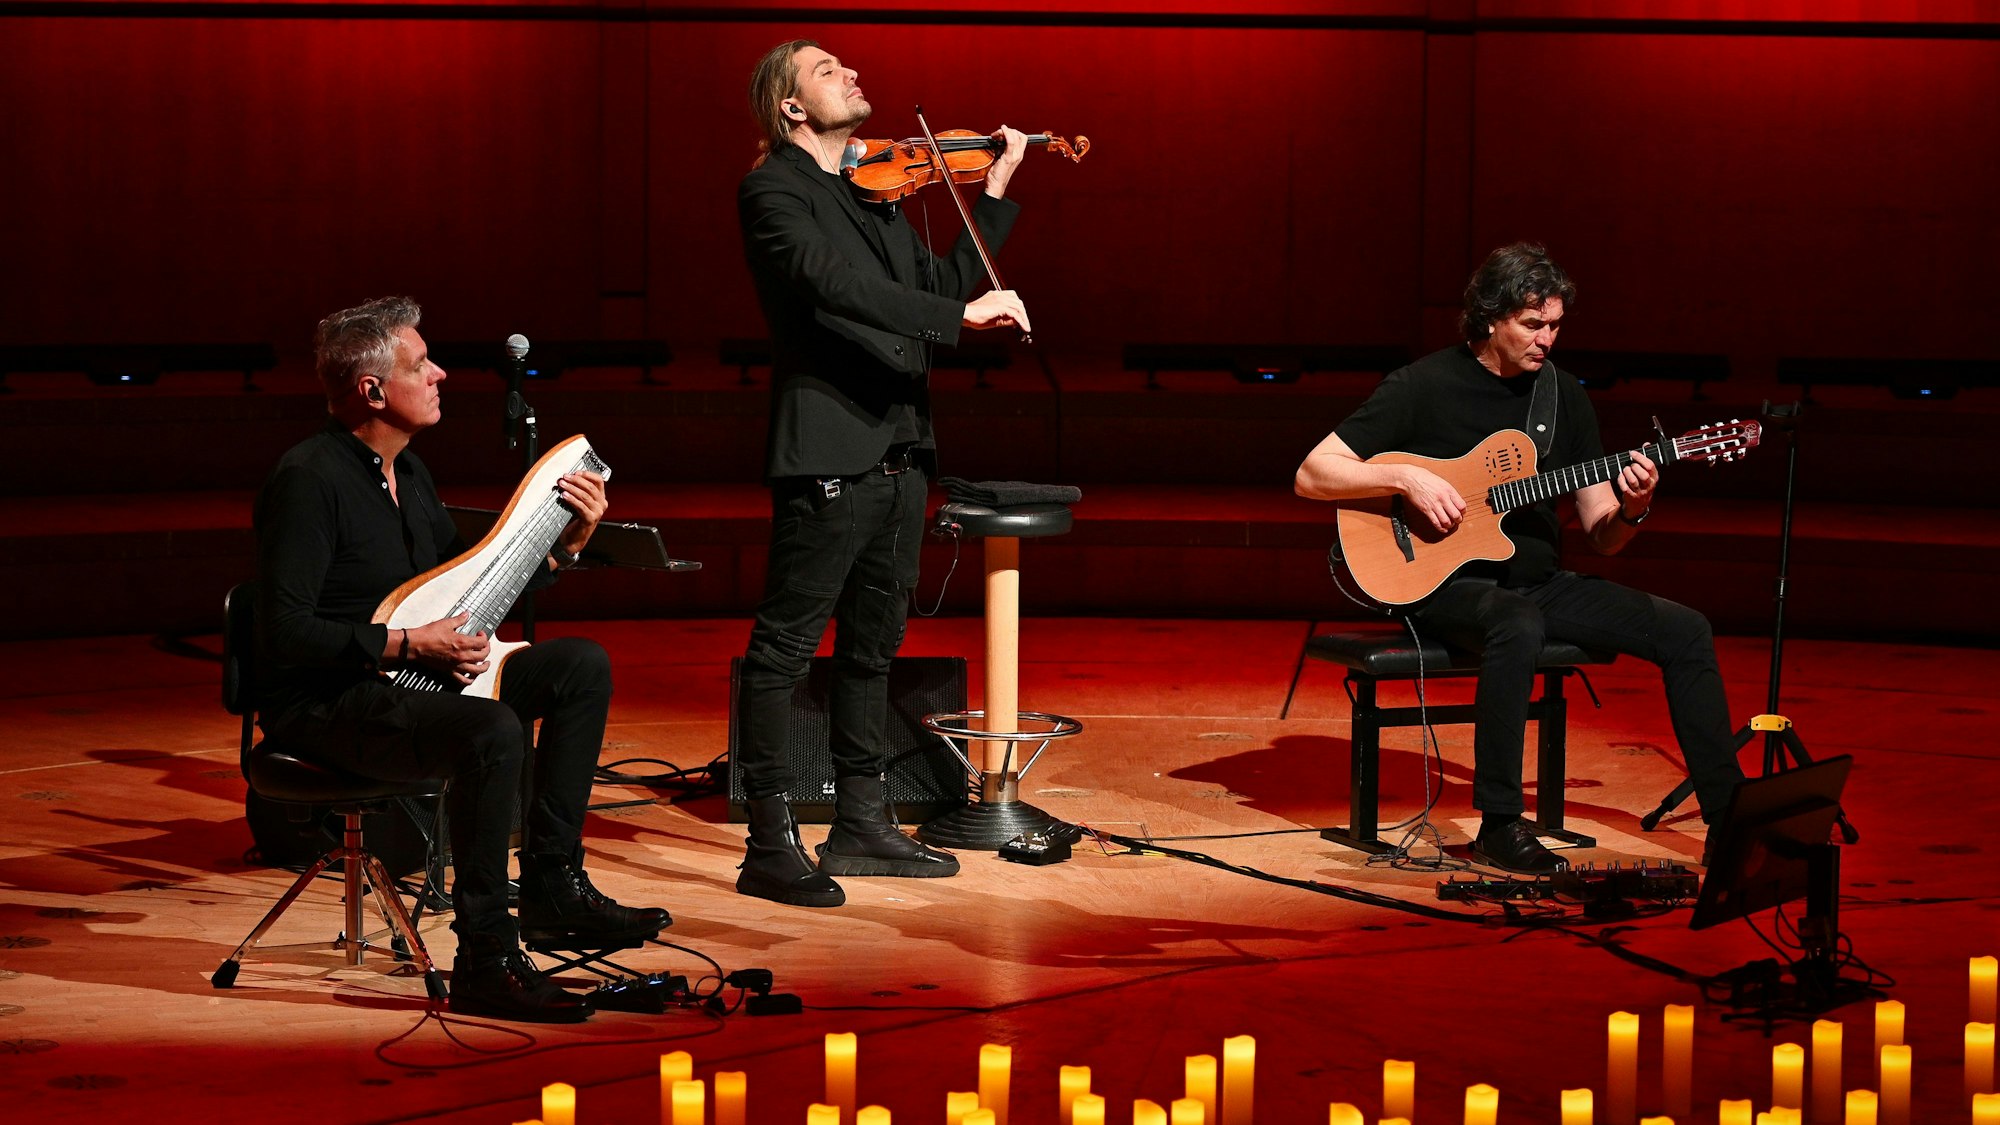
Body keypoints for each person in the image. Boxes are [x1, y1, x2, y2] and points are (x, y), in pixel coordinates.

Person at [254, 296, 667, 1022]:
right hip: (325, 702)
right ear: (372, 390)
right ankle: (484, 953)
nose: (441, 372)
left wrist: (567, 543)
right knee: (494, 730)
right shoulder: (309, 479)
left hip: (401, 681)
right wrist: (409, 644)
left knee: (579, 666)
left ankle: (552, 888)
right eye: (422, 364)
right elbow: (281, 630)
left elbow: (474, 592)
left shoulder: (410, 476)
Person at [1293, 243, 1745, 874]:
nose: (1546, 340)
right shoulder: (1423, 384)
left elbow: (1601, 532)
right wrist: (1406, 480)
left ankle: (1731, 825)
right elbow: (1313, 473)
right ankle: (1500, 823)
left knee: (1685, 628)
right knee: (1515, 622)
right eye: (1533, 325)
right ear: (1489, 318)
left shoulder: (1561, 398)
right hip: (1440, 584)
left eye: (1555, 326)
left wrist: (1635, 507)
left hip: (1535, 581)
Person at [731, 40, 1032, 907]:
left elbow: (940, 282)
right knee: (783, 650)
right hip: (828, 449)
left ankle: (862, 818)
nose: (852, 76)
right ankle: (768, 838)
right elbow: (829, 288)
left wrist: (994, 196)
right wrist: (953, 312)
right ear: (790, 106)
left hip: (900, 452)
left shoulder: (876, 195)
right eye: (828, 71)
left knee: (873, 648)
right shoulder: (775, 191)